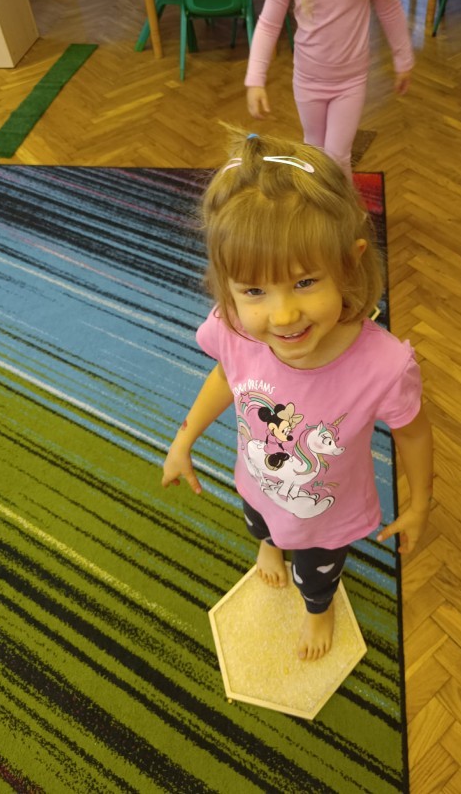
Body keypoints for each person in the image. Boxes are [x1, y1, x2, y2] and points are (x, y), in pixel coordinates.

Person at [161, 129, 433, 661]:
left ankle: (318, 608)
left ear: (349, 263)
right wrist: (183, 441)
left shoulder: (384, 366)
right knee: (259, 523)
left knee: (317, 574)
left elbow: (414, 433)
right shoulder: (235, 329)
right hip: (257, 478)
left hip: (326, 514)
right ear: (227, 286)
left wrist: (420, 503)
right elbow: (227, 377)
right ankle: (269, 545)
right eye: (254, 291)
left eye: (305, 282)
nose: (283, 315)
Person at [245, 0, 414, 178]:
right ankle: (317, 202)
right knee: (313, 150)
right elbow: (269, 23)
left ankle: (340, 204)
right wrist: (255, 78)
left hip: (351, 81)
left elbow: (390, 9)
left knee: (338, 156)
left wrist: (403, 58)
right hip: (308, 79)